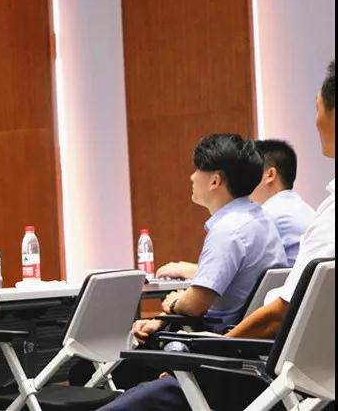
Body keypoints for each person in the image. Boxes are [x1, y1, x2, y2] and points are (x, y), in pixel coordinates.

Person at [95, 59, 335, 411]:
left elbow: (280, 312)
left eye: (317, 108)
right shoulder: (261, 217)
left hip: (253, 366)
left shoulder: (235, 227)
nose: (191, 177)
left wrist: (202, 350)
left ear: (215, 180)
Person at [157, 139, 314, 278]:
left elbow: (234, 277)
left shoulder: (265, 218)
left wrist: (184, 270)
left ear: (270, 175)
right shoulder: (298, 208)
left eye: (252, 171)